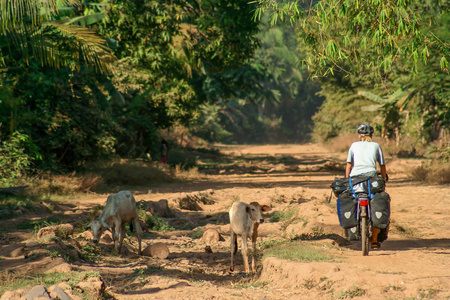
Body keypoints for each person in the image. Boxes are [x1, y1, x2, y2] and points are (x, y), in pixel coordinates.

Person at [345, 124, 388, 249]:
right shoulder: (376, 145)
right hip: (371, 179)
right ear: (371, 135)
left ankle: (353, 228)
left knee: (354, 198)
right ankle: (374, 240)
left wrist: (347, 179)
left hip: (355, 179)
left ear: (360, 135)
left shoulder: (354, 145)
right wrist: (383, 179)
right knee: (375, 203)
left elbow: (349, 165)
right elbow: (382, 165)